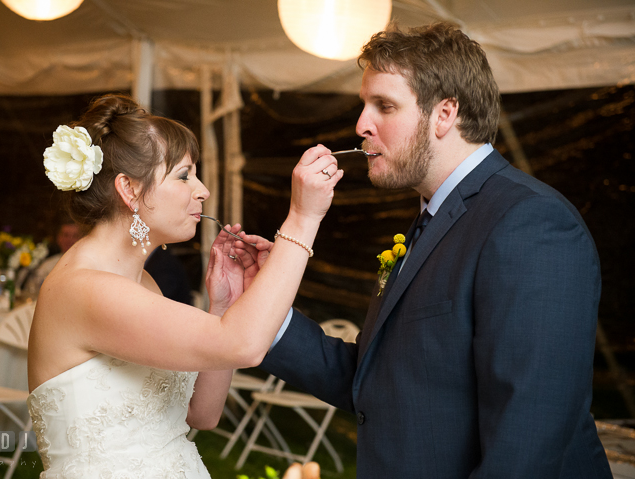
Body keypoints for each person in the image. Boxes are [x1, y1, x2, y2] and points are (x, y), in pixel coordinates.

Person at [240, 22, 611, 478]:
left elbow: (527, 437)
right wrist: (264, 303)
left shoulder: (530, 223)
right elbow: (379, 377)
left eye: (385, 105)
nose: (361, 125)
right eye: (364, 105)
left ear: (445, 114)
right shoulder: (429, 221)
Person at [26, 93, 343, 478]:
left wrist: (223, 306)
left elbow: (201, 414)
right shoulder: (86, 288)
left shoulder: (142, 281)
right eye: (184, 175)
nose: (203, 190)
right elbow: (243, 345)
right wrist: (303, 218)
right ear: (129, 190)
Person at [22, 219, 82, 294]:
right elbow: (32, 290)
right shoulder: (47, 266)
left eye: (75, 236)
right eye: (66, 235)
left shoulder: (86, 264)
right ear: (59, 238)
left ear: (82, 239)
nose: (69, 240)